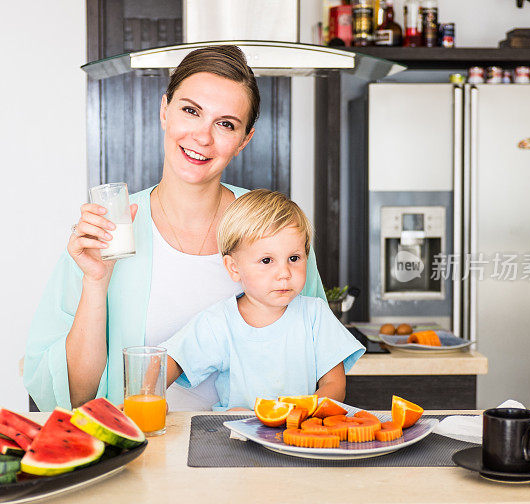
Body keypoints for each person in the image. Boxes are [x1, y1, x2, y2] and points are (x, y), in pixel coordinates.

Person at [24, 45, 327, 412]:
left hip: (261, 456)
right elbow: (77, 397)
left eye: (226, 124)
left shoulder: (275, 227)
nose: (203, 137)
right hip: (141, 455)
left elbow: (318, 355)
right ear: (165, 110)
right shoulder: (110, 229)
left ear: (245, 140)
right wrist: (96, 282)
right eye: (190, 111)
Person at [161, 190, 365, 410]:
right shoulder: (220, 322)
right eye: (267, 260)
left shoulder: (315, 314)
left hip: (296, 435)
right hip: (236, 434)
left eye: (294, 258)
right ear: (234, 268)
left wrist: (304, 411)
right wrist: (145, 397)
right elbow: (172, 361)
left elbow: (335, 385)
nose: (284, 273)